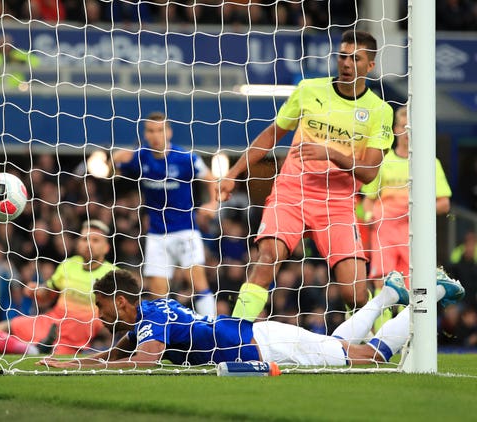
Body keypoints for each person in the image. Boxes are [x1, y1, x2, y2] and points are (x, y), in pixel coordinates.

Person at [218, 30, 394, 321]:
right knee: (268, 256)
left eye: (355, 58)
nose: (346, 63)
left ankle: (378, 338)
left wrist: (332, 153)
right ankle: (233, 335)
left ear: (370, 66)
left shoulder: (379, 111)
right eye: (342, 56)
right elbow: (272, 134)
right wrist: (234, 173)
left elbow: (369, 171)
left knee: (355, 293)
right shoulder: (309, 90)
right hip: (292, 192)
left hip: (336, 203)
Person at [37, 268, 465, 369]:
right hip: (255, 335)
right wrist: (73, 362)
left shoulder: (149, 321)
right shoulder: (151, 310)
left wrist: (72, 363)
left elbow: (143, 359)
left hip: (262, 345)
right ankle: (389, 292)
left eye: (103, 305)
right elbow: (119, 351)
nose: (99, 314)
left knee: (369, 358)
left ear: (123, 302)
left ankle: (428, 298)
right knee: (335, 344)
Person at [113, 111, 218, 317]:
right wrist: (114, 158)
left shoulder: (185, 158)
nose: (155, 135)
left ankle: (213, 330)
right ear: (145, 134)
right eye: (150, 131)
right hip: (157, 234)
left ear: (168, 132)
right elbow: (112, 170)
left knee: (198, 283)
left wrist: (212, 204)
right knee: (158, 294)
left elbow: (212, 179)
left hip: (185, 230)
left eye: (159, 130)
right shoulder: (140, 158)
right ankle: (163, 338)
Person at [0, 220, 115, 355]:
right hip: (53, 322)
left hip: (78, 332)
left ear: (106, 247)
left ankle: (37, 348)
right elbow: (47, 296)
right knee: (1, 328)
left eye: (95, 240)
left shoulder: (113, 273)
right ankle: (33, 349)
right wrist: (36, 291)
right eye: (84, 239)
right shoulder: (68, 265)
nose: (88, 244)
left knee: (51, 357)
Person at [361, 106, 452, 286]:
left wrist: (415, 212)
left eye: (411, 127)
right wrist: (370, 218)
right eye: (403, 126)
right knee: (383, 283)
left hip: (414, 233)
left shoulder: (430, 163)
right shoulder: (382, 162)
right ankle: (384, 315)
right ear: (395, 129)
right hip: (384, 231)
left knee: (412, 286)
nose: (406, 132)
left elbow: (444, 204)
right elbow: (368, 201)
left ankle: (406, 314)